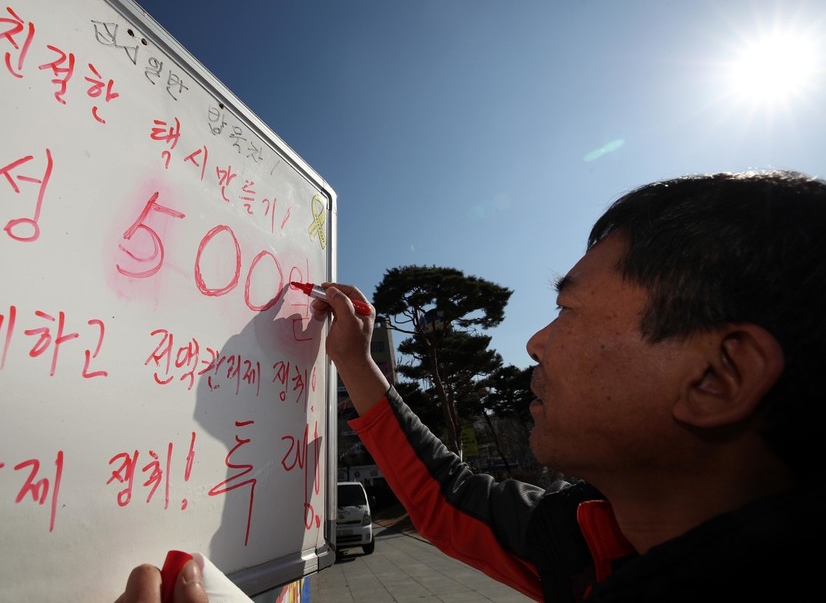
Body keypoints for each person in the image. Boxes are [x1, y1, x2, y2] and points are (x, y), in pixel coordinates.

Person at [310, 170, 826, 601]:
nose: (535, 343)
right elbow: (449, 497)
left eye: (567, 309)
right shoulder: (578, 537)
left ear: (718, 377)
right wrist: (355, 361)